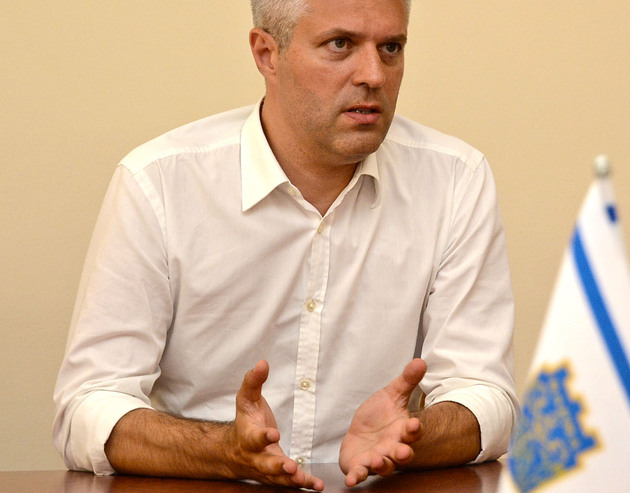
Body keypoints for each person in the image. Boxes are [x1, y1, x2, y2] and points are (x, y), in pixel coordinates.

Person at [52, 0, 517, 489]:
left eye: (390, 48)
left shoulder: (454, 180)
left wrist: (413, 439)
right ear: (266, 53)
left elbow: (485, 394)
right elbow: (87, 407)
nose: (374, 75)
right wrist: (223, 451)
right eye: (340, 44)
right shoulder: (161, 183)